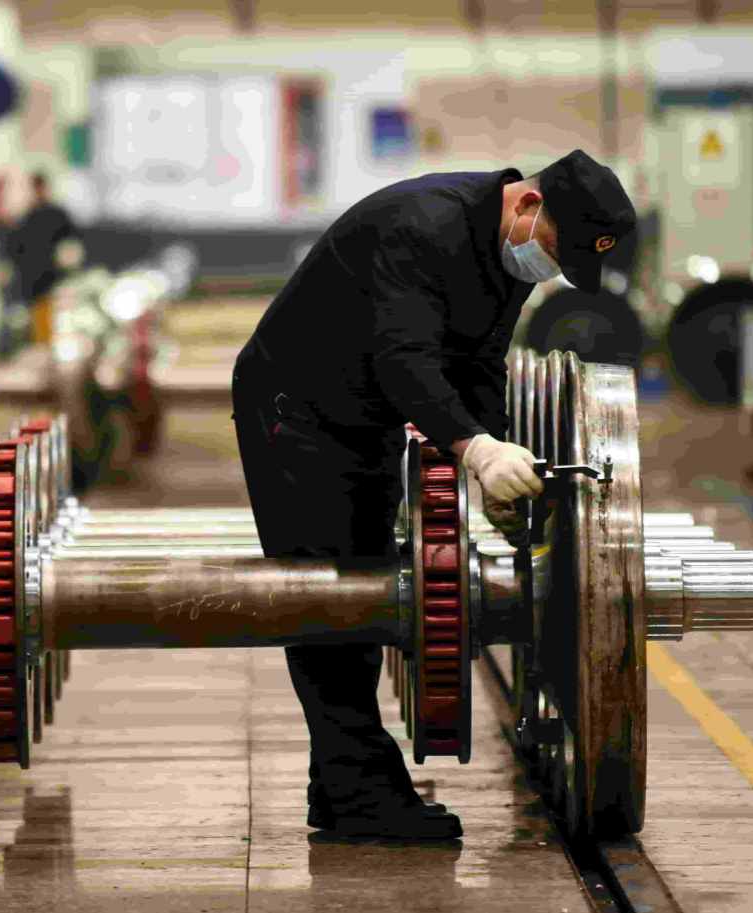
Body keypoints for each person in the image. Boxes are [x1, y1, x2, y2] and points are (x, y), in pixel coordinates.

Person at [232, 149, 636, 840]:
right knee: (328, 595)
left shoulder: (504, 257)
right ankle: (361, 794)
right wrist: (473, 449)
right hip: (291, 408)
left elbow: (476, 364)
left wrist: (503, 463)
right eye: (554, 252)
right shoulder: (422, 226)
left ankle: (340, 786)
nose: (547, 271)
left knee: (357, 587)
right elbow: (405, 357)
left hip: (362, 415)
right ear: (528, 206)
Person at [10, 171, 83, 344]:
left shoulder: (56, 215)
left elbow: (74, 241)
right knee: (41, 328)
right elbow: (16, 250)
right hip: (34, 282)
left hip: (55, 280)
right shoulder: (26, 218)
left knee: (61, 321)